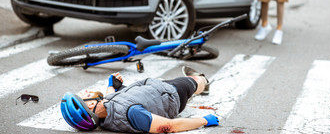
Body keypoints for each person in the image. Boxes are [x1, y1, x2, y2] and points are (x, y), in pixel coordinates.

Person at [60, 66, 219, 133]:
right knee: (194, 82)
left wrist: (112, 85)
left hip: (152, 89)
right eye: (84, 96)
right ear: (91, 105)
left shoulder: (105, 111)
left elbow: (109, 101)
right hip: (172, 94)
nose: (86, 91)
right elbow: (169, 126)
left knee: (177, 80)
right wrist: (204, 120)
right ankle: (204, 81)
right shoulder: (132, 114)